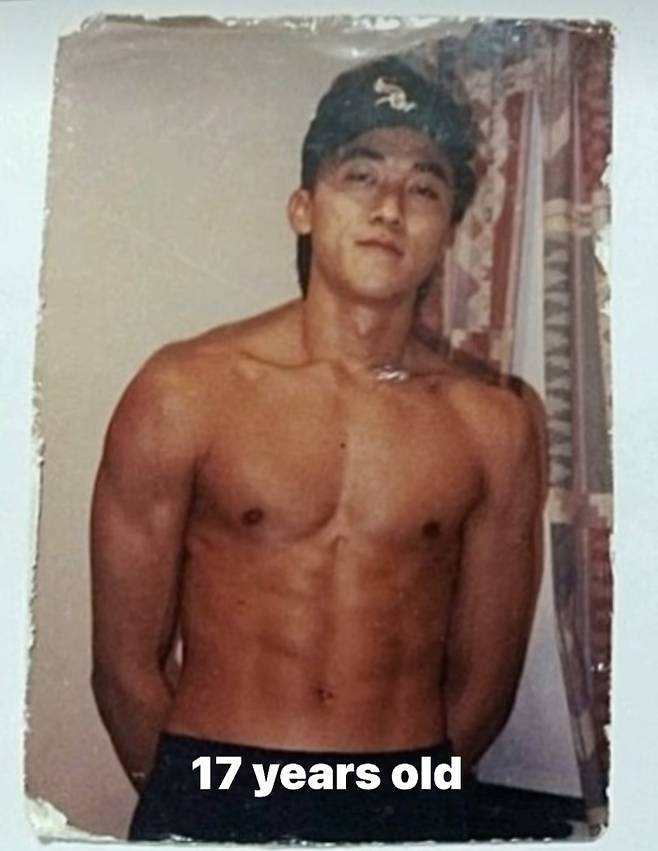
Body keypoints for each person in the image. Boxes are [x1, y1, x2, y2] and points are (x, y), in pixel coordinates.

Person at [90, 54, 545, 843]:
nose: (390, 209)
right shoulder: (184, 391)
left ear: (447, 232)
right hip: (214, 790)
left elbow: (484, 685)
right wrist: (191, 810)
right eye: (360, 176)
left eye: (425, 189)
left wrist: (406, 799)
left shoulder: (495, 423)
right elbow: (124, 668)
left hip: (403, 795)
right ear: (303, 207)